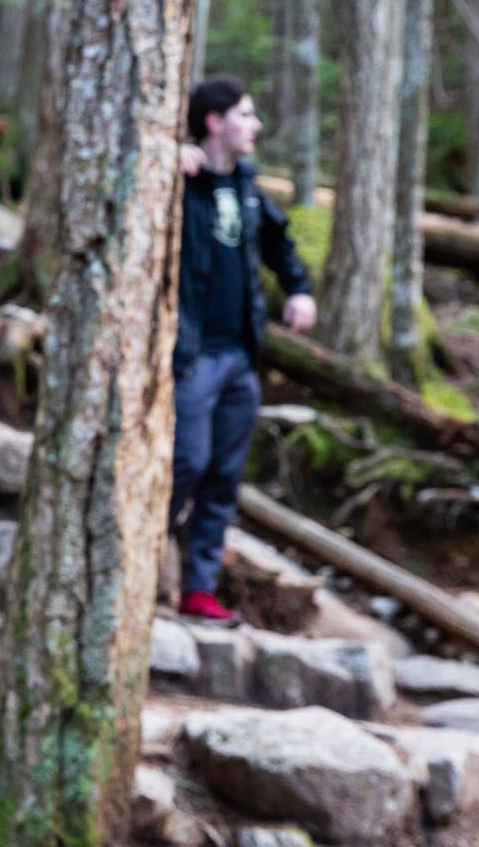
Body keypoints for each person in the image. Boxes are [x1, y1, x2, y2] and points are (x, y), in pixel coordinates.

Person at [171, 76, 316, 626]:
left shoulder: (250, 187)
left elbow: (281, 244)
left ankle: (197, 589)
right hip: (192, 356)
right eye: (246, 116)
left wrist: (299, 288)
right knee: (187, 460)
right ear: (215, 122)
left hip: (240, 356)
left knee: (225, 474)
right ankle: (139, 564)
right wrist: (167, 158)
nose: (255, 127)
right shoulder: (182, 181)